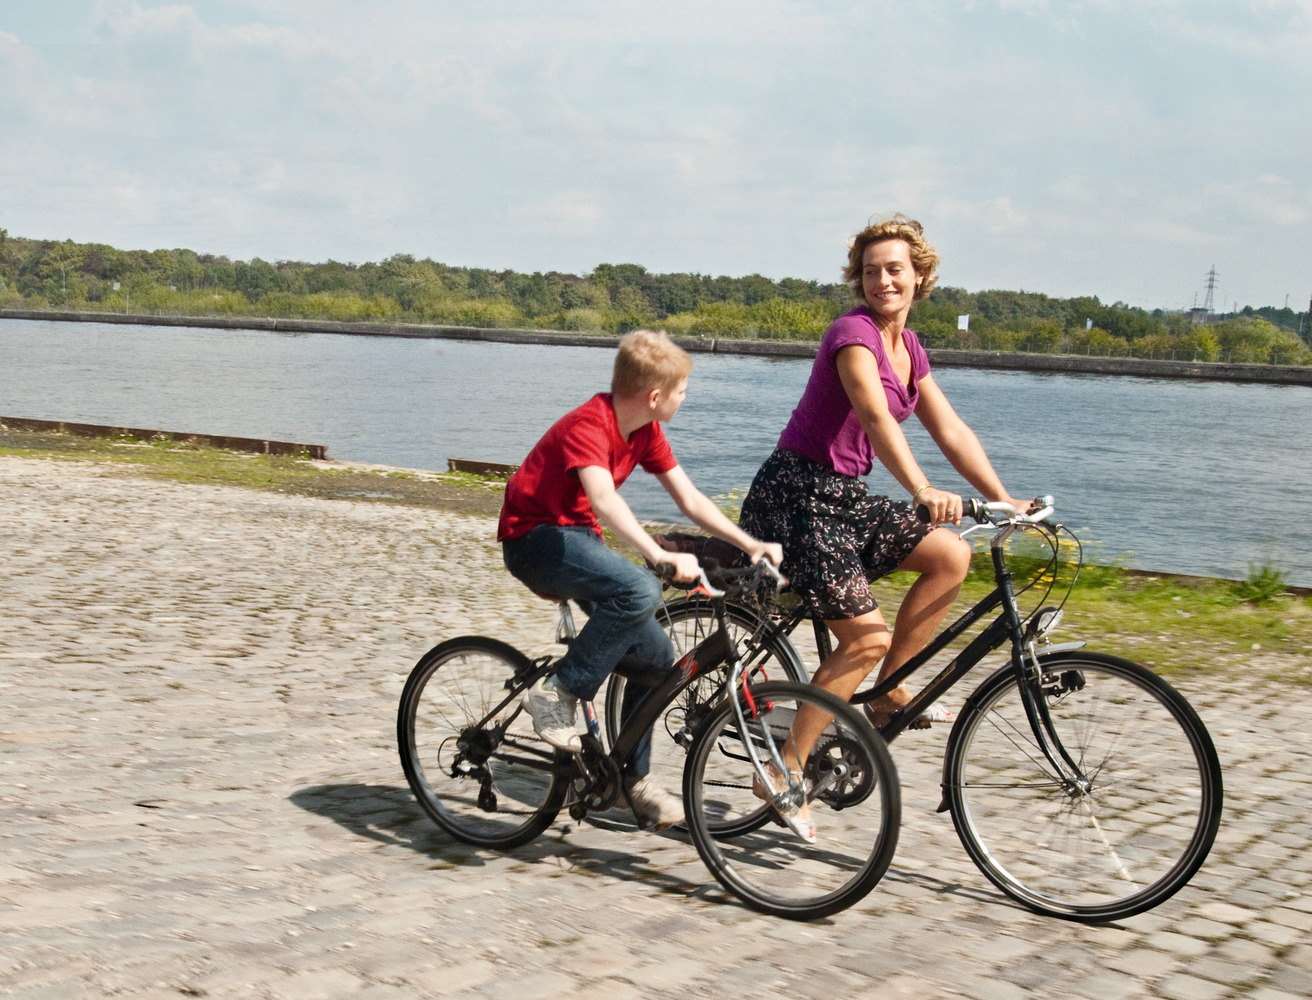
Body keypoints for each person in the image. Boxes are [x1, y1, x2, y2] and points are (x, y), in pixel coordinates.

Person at [739, 215, 1031, 841]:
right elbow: (875, 417)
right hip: (795, 501)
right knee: (862, 640)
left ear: (920, 276)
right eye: (871, 271)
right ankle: (783, 766)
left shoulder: (911, 348)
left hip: (843, 501)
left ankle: (886, 695)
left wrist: (1005, 501)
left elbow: (949, 429)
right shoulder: (853, 334)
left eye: (894, 269)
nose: (882, 281)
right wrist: (922, 490)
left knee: (950, 555)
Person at [498, 329, 782, 832]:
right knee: (640, 589)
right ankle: (556, 689)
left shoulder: (644, 431)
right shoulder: (589, 424)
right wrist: (654, 554)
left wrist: (749, 543)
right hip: (534, 540)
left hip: (577, 539)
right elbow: (605, 500)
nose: (685, 396)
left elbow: (690, 500)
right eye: (681, 389)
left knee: (656, 663)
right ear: (655, 395)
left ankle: (634, 782)